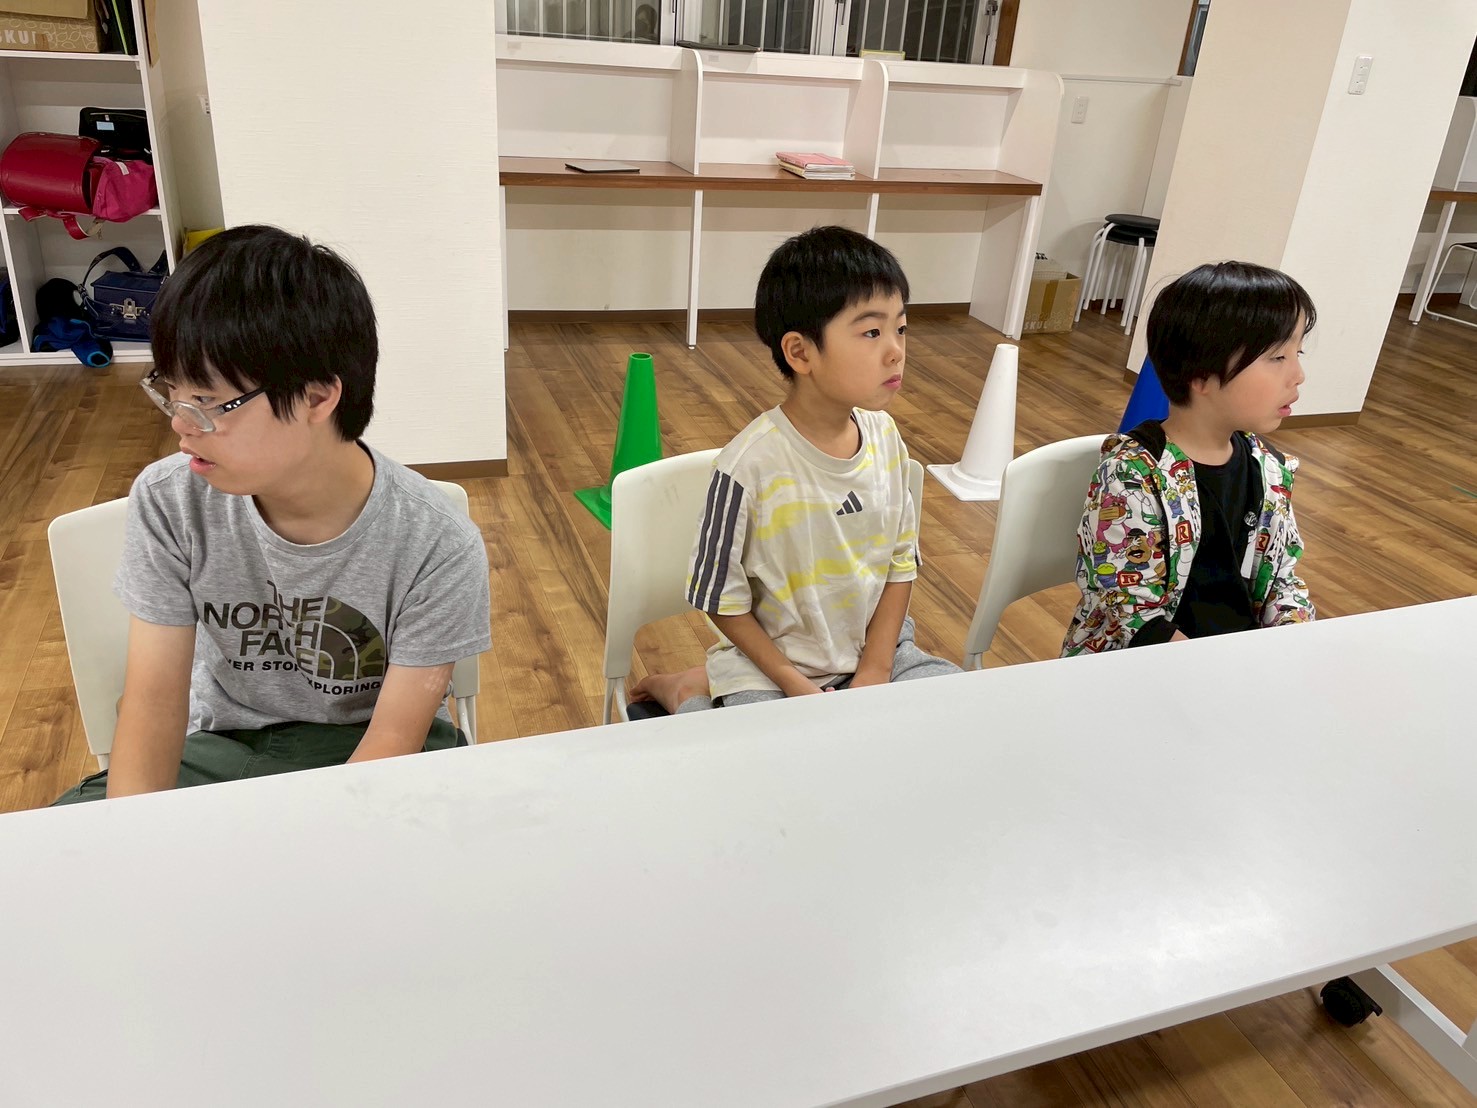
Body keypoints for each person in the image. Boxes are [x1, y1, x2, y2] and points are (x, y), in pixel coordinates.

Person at [54, 225, 491, 803]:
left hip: (372, 752)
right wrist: (133, 835)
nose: (180, 423)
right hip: (225, 746)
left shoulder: (436, 543)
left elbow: (392, 742)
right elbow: (154, 701)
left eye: (207, 401)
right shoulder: (171, 500)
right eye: (171, 391)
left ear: (317, 397)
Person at [633, 226, 958, 714]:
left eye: (901, 328)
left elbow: (900, 563)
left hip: (876, 651)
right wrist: (794, 685)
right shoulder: (747, 468)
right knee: (755, 749)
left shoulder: (887, 439)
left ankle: (704, 684)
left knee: (958, 709)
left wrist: (874, 669)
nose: (896, 350)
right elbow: (718, 598)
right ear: (800, 352)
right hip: (769, 668)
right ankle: (685, 689)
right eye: (872, 332)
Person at [1061, 260, 1317, 656]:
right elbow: (1131, 609)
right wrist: (1212, 668)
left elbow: (1281, 579)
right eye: (1277, 358)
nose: (1298, 374)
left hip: (1237, 660)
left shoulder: (1268, 468)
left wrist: (1292, 639)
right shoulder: (1132, 475)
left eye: (1296, 353)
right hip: (1145, 663)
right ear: (1201, 375)